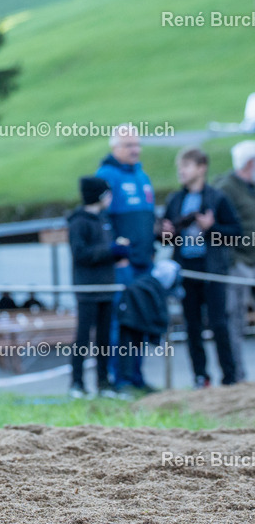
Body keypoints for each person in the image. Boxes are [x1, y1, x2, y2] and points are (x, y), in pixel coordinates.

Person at [161, 146, 241, 388]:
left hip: (212, 271)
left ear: (201, 168)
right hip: (186, 271)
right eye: (180, 168)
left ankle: (229, 377)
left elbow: (235, 234)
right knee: (192, 326)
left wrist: (211, 228)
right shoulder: (176, 199)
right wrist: (166, 234)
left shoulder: (217, 198)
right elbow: (165, 238)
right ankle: (200, 377)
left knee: (218, 324)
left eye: (186, 166)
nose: (181, 172)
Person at [95, 123, 157, 390]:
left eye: (137, 144)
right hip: (123, 265)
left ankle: (137, 377)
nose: (135, 150)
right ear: (115, 147)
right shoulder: (106, 176)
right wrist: (117, 253)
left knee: (141, 318)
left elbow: (147, 219)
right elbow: (102, 220)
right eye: (129, 145)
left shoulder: (142, 176)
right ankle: (119, 378)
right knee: (121, 321)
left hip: (145, 262)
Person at [66, 176, 131, 399]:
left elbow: (104, 252)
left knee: (104, 338)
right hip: (87, 289)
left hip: (106, 287)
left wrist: (118, 253)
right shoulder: (78, 222)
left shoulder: (103, 220)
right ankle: (77, 384)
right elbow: (80, 254)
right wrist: (111, 250)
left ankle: (104, 383)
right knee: (83, 337)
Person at [212, 140, 255, 383]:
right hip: (238, 264)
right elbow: (220, 228)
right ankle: (236, 376)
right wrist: (234, 257)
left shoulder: (250, 188)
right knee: (235, 320)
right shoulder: (226, 188)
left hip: (252, 261)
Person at [117, 260, 182, 392]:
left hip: (136, 323)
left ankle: (136, 381)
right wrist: (158, 336)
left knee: (135, 350)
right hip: (130, 321)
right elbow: (160, 317)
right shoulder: (149, 287)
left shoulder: (151, 286)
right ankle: (125, 383)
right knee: (127, 351)